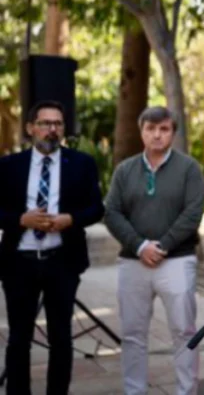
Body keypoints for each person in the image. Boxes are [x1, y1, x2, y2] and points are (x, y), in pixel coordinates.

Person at [0, 100, 104, 395]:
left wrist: (70, 219)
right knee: (19, 338)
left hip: (63, 262)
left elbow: (96, 209)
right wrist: (21, 219)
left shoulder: (82, 164)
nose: (52, 130)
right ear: (31, 128)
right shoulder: (9, 166)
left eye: (58, 124)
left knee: (61, 338)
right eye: (45, 124)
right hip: (19, 263)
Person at [103, 106, 204, 395]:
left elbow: (193, 212)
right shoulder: (125, 170)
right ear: (141, 132)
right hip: (133, 262)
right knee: (133, 335)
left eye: (163, 129)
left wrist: (163, 245)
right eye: (150, 129)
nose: (157, 135)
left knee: (185, 332)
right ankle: (134, 391)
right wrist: (139, 246)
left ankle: (186, 391)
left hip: (176, 260)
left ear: (172, 132)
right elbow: (111, 212)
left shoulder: (189, 169)